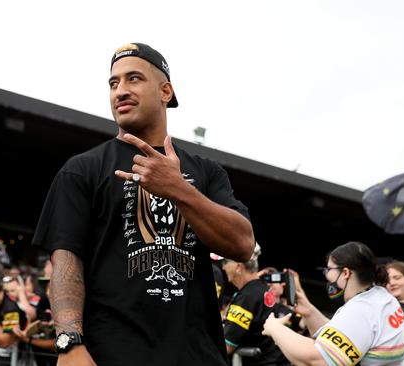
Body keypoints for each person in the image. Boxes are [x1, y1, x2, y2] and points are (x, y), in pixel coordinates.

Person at [32, 42, 255, 366]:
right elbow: (66, 260)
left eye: (133, 79)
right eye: (113, 83)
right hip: (110, 356)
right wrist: (69, 345)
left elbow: (243, 244)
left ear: (165, 91)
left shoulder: (205, 171)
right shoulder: (82, 169)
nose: (120, 90)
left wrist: (180, 189)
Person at [262, 241, 404, 366]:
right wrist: (308, 310)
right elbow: (344, 335)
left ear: (346, 273)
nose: (327, 275)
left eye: (329, 269)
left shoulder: (361, 310)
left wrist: (275, 328)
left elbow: (316, 360)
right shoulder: (380, 296)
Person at [221, 244, 289, 366]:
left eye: (225, 262)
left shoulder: (247, 297)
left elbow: (227, 346)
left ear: (238, 267)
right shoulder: (262, 290)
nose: (223, 267)